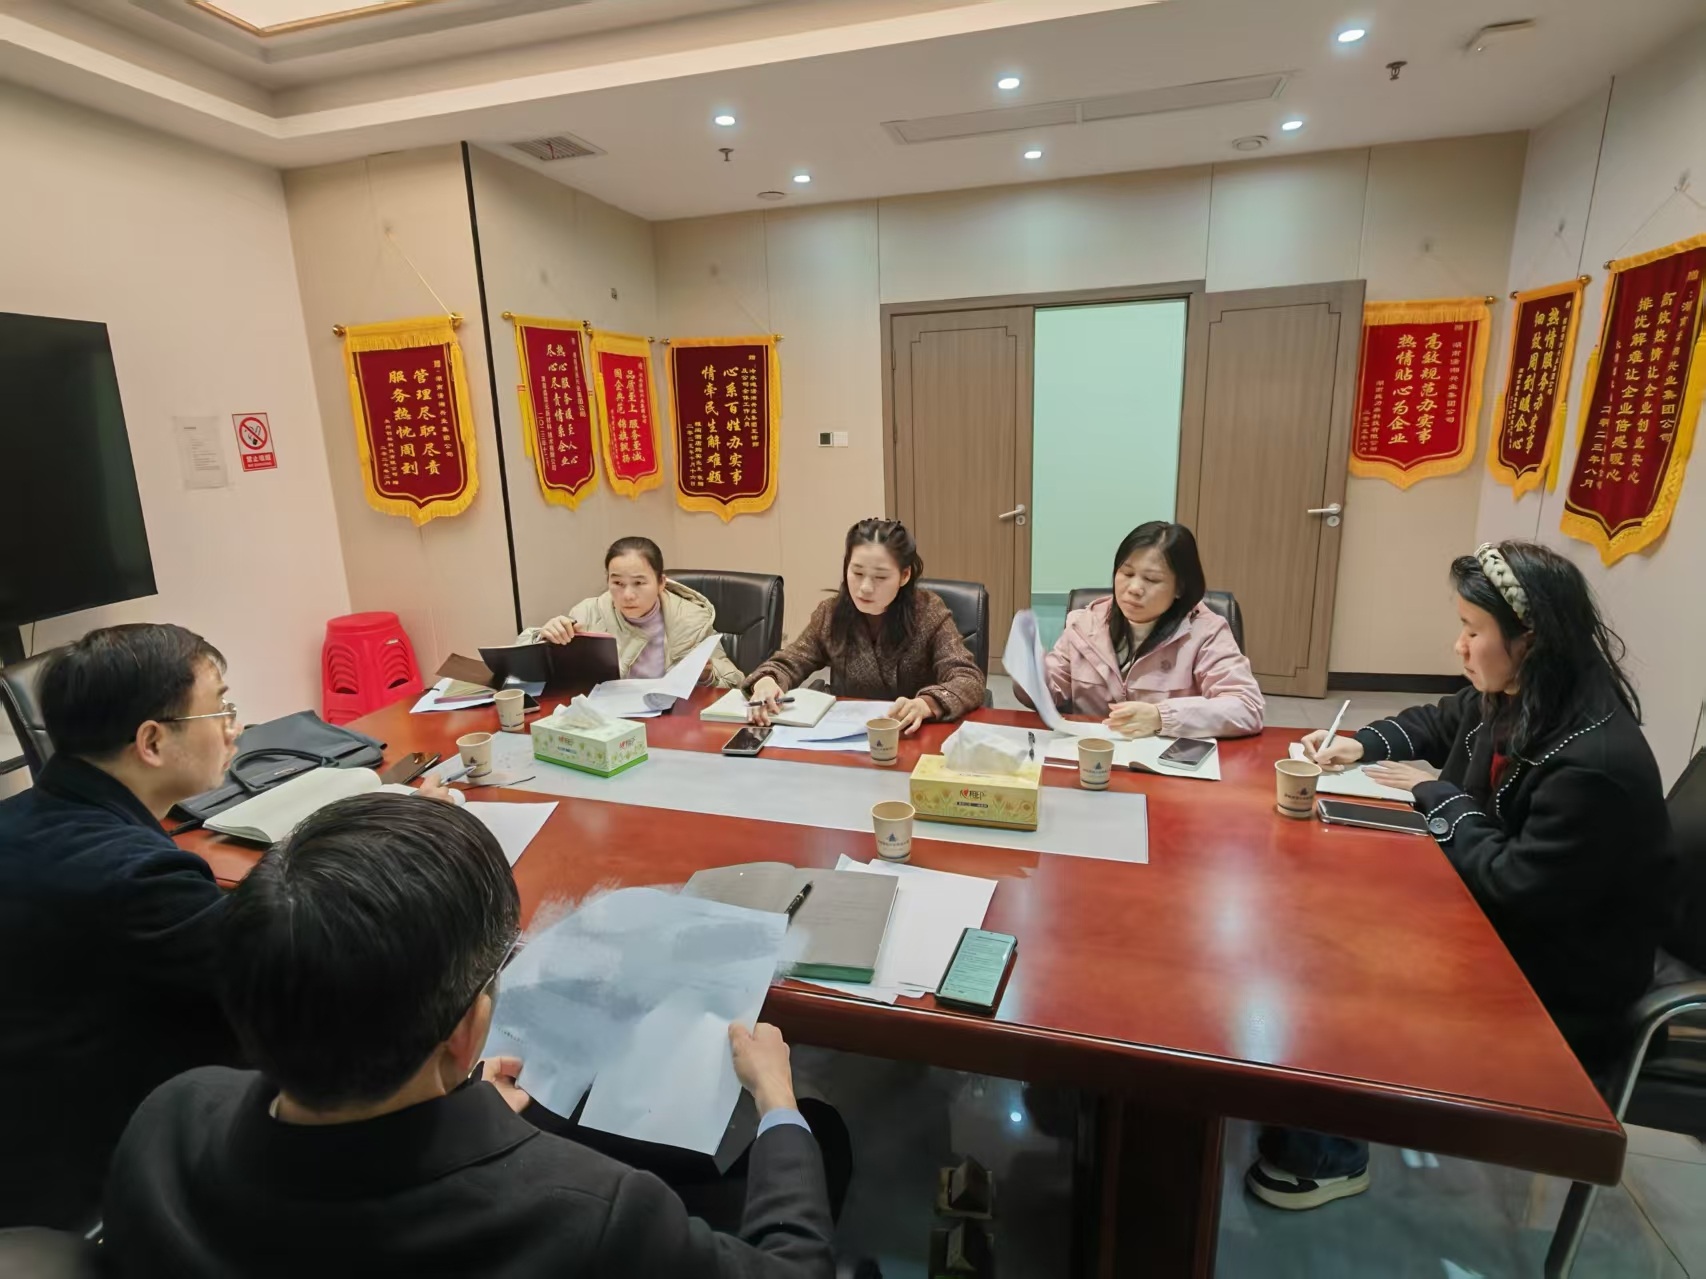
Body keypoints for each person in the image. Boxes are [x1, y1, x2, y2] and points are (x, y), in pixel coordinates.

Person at [102, 794, 838, 1277]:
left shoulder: (166, 1124)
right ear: (468, 1032)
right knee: (823, 1132)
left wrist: (453, 1103)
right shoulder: (594, 1216)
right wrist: (777, 1101)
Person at [1248, 540, 1671, 1212]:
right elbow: (1441, 719)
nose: (1460, 645)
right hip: (1500, 931)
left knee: (1331, 953)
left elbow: (1512, 884)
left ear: (1530, 639)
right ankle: (1303, 1100)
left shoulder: (1594, 763)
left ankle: (1328, 1153)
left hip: (1553, 987)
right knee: (1309, 904)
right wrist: (1361, 743)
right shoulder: (1531, 693)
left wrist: (1441, 798)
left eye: (1473, 630)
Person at [0, 624, 242, 1229]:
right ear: (152, 741)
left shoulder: (21, 819)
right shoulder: (139, 878)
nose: (233, 728)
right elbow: (280, 975)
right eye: (221, 708)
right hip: (93, 1186)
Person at [1018, 521, 1263, 737]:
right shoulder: (1084, 624)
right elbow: (1050, 694)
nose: (1134, 588)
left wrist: (1161, 717)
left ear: (1180, 588)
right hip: (1092, 754)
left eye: (1151, 579)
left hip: (1166, 759)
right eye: (1127, 573)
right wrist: (1029, 671)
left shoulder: (1206, 632)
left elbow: (1246, 706)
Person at [746, 518, 986, 732]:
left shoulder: (928, 612)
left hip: (912, 733)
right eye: (857, 573)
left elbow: (967, 678)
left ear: (904, 576)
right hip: (845, 734)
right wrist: (768, 680)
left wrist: (927, 703)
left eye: (881, 577)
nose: (865, 588)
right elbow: (790, 661)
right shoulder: (831, 613)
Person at [521, 535, 744, 686]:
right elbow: (520, 673)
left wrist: (707, 675)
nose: (627, 595)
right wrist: (543, 639)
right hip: (608, 721)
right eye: (617, 583)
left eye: (639, 583)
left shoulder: (691, 619)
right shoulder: (588, 613)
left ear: (661, 582)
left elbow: (735, 681)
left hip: (673, 721)